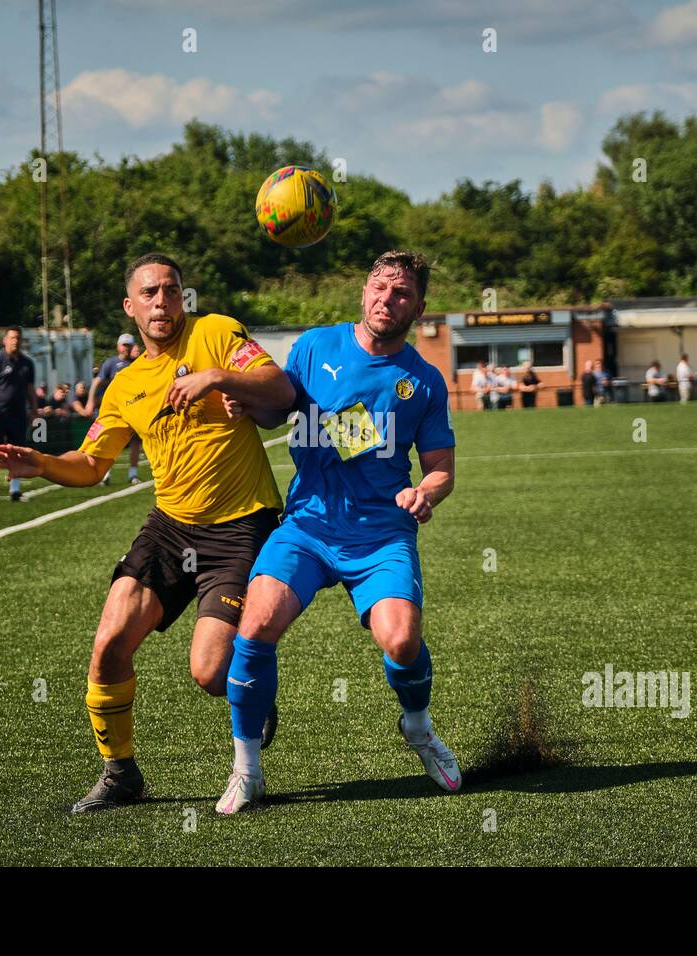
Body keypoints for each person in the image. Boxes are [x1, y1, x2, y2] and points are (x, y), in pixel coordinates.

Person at [0, 253, 294, 813]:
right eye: (150, 293)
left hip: (240, 526)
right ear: (131, 307)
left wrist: (218, 377)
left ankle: (249, 688)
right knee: (108, 645)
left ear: (184, 297)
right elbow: (91, 464)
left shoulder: (219, 332)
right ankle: (121, 773)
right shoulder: (125, 385)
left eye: (171, 290)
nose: (162, 301)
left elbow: (280, 390)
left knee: (209, 673)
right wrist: (41, 462)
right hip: (171, 527)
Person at [211, 249, 460, 815]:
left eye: (400, 294)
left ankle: (417, 727)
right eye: (379, 287)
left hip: (379, 534)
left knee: (401, 639)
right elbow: (279, 409)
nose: (386, 299)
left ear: (418, 308)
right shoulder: (313, 345)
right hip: (309, 522)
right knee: (255, 624)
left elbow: (442, 465)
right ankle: (246, 769)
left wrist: (427, 492)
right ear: (364, 291)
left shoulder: (423, 380)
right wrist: (246, 402)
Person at [0, 327, 38, 503]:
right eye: (12, 338)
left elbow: (30, 389)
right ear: (5, 340)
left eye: (18, 338)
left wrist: (34, 410)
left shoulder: (27, 363)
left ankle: (15, 490)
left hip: (18, 415)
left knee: (17, 452)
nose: (15, 341)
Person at [88, 332, 142, 484]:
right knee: (107, 440)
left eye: (129, 345)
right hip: (114, 409)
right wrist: (90, 401)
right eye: (124, 345)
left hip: (133, 407)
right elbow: (97, 382)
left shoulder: (137, 363)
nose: (126, 348)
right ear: (118, 346)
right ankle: (105, 474)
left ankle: (133, 474)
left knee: (135, 442)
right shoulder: (110, 363)